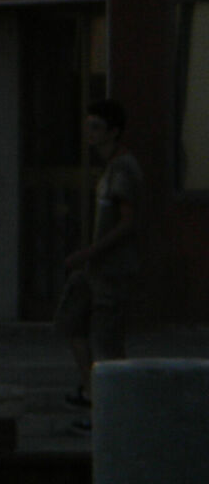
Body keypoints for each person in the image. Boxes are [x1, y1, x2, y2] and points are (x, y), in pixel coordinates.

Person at [59, 96, 141, 412]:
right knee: (71, 319)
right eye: (88, 126)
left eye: (97, 127)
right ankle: (92, 392)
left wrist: (91, 251)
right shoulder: (108, 169)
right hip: (94, 268)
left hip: (113, 269)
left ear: (114, 132)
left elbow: (128, 222)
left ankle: (111, 410)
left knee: (107, 342)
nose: (90, 133)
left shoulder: (124, 169)